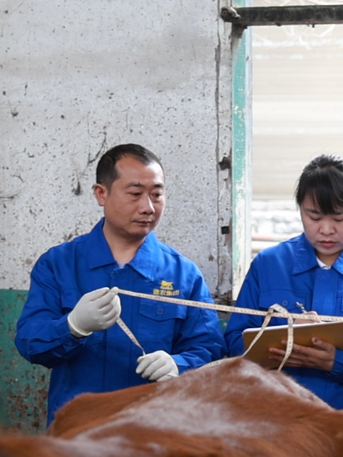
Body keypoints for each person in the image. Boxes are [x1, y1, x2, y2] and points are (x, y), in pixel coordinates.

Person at [224, 154, 343, 454]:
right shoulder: (269, 264)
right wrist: (283, 344)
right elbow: (234, 343)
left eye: (339, 218)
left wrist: (338, 363)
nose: (326, 229)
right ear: (300, 210)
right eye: (314, 217)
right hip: (274, 432)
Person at [16, 143, 224, 424]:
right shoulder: (59, 264)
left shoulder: (182, 274)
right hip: (79, 431)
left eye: (157, 195)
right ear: (102, 194)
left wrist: (180, 365)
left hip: (156, 432)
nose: (148, 207)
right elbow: (30, 343)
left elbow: (211, 350)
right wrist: (73, 327)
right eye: (135, 194)